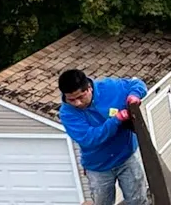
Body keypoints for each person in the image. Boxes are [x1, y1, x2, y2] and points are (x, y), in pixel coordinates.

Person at [59, 69, 149, 205]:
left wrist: (134, 96)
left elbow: (137, 84)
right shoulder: (67, 113)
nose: (77, 103)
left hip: (127, 157)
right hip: (98, 167)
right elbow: (90, 138)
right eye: (71, 100)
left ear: (89, 88)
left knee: (138, 200)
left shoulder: (110, 88)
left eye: (80, 97)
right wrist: (116, 120)